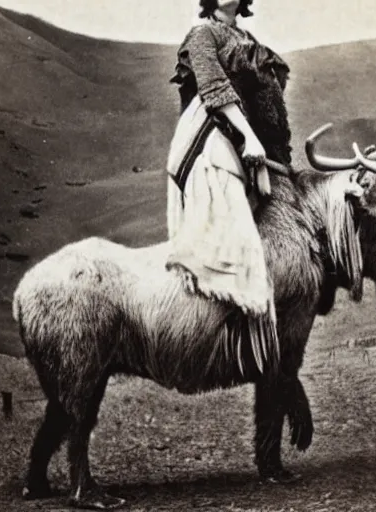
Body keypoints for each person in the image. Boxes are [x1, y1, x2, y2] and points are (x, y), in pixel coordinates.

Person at [165, 0, 293, 374]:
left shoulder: (247, 38)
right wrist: (250, 139)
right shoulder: (202, 34)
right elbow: (213, 87)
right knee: (237, 243)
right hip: (207, 137)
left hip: (240, 142)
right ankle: (216, 347)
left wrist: (268, 157)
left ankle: (257, 345)